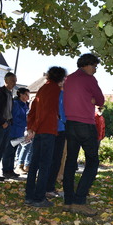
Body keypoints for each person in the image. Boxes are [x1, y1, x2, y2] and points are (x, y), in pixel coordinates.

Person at [62, 53, 105, 216]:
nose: (95, 69)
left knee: (70, 162)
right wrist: (92, 100)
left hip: (70, 124)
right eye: (94, 66)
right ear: (87, 65)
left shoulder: (69, 79)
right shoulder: (89, 79)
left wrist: (90, 99)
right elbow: (101, 100)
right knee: (93, 162)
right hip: (85, 125)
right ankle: (79, 201)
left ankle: (68, 201)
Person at [24, 66, 66, 208]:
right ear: (60, 78)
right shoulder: (54, 90)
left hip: (40, 131)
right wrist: (34, 128)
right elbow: (47, 112)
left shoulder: (42, 88)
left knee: (34, 163)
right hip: (48, 130)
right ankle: (39, 198)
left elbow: (33, 111)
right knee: (45, 165)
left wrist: (31, 128)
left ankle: (29, 196)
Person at [1, 87, 30, 179]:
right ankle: (6, 170)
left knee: (13, 151)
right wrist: (26, 122)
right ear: (20, 94)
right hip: (13, 131)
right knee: (8, 151)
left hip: (19, 132)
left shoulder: (24, 105)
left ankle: (10, 169)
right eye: (26, 94)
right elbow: (14, 118)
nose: (27, 97)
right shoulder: (16, 104)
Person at [45, 79, 66, 198]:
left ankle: (49, 187)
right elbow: (63, 112)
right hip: (58, 129)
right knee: (55, 160)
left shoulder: (50, 93)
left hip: (52, 129)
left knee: (53, 160)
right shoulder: (60, 94)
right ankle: (49, 188)